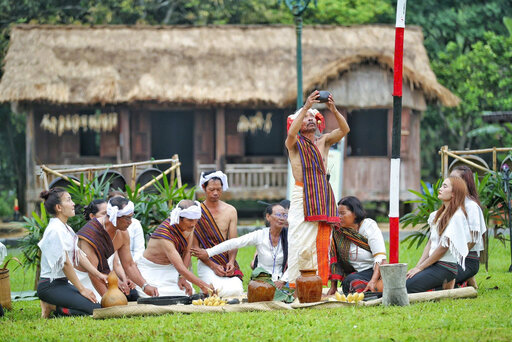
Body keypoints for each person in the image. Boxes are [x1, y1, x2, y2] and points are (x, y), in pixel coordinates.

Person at [284, 90, 350, 286]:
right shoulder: (293, 143)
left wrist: (333, 110)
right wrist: (305, 107)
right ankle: (296, 283)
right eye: (306, 118)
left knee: (321, 239)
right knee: (298, 239)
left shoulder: (324, 141)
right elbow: (290, 133)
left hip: (322, 194)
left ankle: (317, 283)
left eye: (313, 117)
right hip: (301, 194)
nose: (310, 120)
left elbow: (345, 130)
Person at [36, 188, 107, 318]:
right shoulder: (55, 230)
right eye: (69, 200)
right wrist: (82, 289)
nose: (73, 203)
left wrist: (99, 275)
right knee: (94, 311)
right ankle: (51, 306)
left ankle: (53, 305)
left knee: (98, 306)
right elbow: (66, 263)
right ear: (59, 207)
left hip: (62, 284)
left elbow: (78, 255)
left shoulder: (66, 228)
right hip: (49, 286)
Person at [75, 196, 159, 298]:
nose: (130, 222)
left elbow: (129, 265)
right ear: (115, 217)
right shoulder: (91, 233)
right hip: (80, 280)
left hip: (103, 277)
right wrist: (107, 298)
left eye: (131, 217)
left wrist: (145, 286)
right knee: (98, 307)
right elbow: (93, 273)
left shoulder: (123, 233)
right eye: (127, 218)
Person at [192, 203, 288, 289]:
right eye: (278, 214)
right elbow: (234, 243)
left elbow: (294, 263)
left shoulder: (289, 237)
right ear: (268, 217)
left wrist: (282, 281)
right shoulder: (260, 235)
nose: (282, 218)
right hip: (262, 282)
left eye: (284, 215)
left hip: (282, 282)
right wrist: (209, 252)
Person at [406, 176, 471, 293]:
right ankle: (442, 287)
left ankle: (444, 287)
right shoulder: (436, 215)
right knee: (406, 281)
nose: (440, 189)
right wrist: (417, 267)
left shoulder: (457, 216)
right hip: (433, 264)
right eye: (441, 185)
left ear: (454, 194)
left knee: (407, 286)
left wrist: (421, 268)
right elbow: (430, 243)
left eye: (444, 186)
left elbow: (443, 248)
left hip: (445, 267)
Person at [137, 200, 214, 297]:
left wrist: (182, 277)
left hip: (171, 269)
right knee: (157, 295)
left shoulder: (189, 226)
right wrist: (203, 285)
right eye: (190, 220)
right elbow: (180, 267)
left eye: (196, 220)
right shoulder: (165, 234)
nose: (194, 224)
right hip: (151, 269)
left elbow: (187, 252)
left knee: (187, 293)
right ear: (179, 218)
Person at [193, 171, 244, 297]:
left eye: (219, 189)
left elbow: (233, 241)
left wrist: (231, 262)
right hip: (207, 261)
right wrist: (213, 266)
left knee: (237, 290)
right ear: (204, 188)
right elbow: (196, 248)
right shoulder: (196, 211)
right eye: (211, 189)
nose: (215, 193)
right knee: (217, 290)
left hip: (226, 260)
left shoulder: (231, 210)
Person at [327, 197, 387, 295]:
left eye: (343, 213)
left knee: (351, 282)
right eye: (338, 214)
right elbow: (335, 261)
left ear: (355, 213)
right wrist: (333, 287)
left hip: (374, 271)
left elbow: (380, 257)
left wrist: (373, 281)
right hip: (355, 274)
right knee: (350, 282)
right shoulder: (338, 232)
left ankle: (374, 287)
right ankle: (370, 291)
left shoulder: (368, 226)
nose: (339, 217)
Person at [450, 165, 486, 288]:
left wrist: (456, 258)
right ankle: (466, 281)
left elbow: (472, 239)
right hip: (451, 259)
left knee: (440, 281)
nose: (450, 182)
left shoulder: (471, 206)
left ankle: (464, 282)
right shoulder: (453, 204)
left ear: (465, 183)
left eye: (454, 179)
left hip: (467, 260)